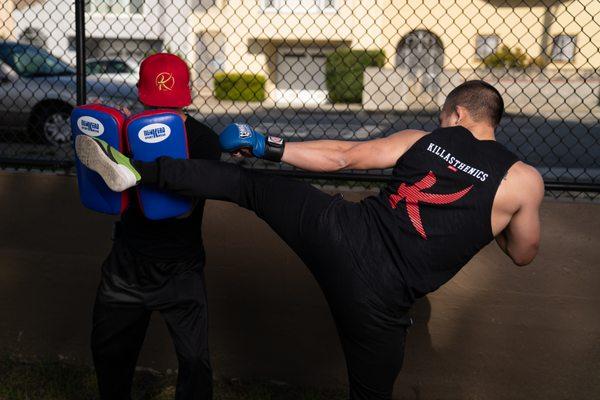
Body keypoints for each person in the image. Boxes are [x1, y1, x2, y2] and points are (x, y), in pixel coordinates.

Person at [77, 80, 544, 400]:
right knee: (371, 394)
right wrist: (496, 222)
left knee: (248, 186)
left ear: (457, 114)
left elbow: (341, 157)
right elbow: (523, 253)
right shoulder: (524, 181)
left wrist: (267, 144)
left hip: (342, 233)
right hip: (384, 302)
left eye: (444, 118)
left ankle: (138, 171)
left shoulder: (421, 138)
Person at [89, 53, 221, 400]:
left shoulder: (204, 141)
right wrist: (103, 130)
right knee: (109, 353)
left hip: (181, 267)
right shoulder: (123, 136)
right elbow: (102, 191)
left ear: (140, 89)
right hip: (129, 262)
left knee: (194, 362)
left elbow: (180, 210)